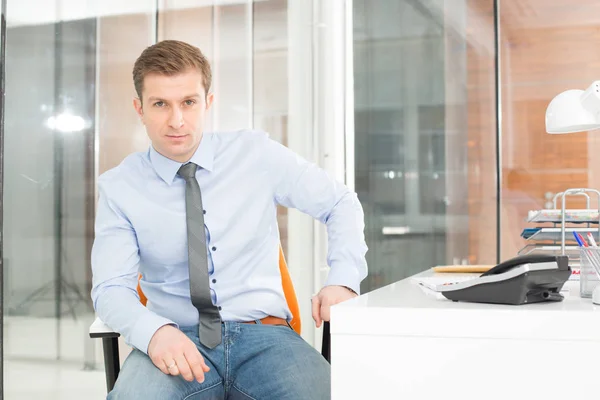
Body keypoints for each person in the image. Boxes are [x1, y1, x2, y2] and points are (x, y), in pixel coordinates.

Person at [91, 39, 368, 400]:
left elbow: (340, 203)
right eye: (160, 104)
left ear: (207, 102)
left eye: (188, 102)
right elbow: (111, 289)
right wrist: (154, 332)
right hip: (176, 338)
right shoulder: (119, 188)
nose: (176, 120)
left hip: (266, 337)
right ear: (139, 108)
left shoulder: (255, 153)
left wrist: (343, 280)